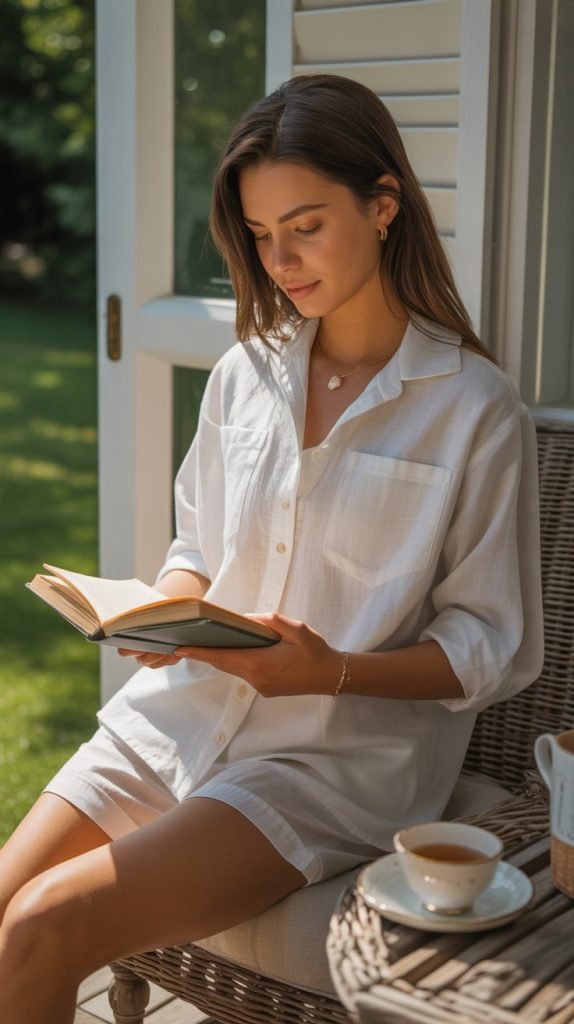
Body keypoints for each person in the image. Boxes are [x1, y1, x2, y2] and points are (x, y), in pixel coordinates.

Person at [0, 74, 543, 1022]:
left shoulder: (473, 409)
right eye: (259, 234)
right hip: (178, 714)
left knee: (43, 923)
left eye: (305, 225)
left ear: (383, 206)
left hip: (326, 766)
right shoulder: (244, 373)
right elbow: (197, 544)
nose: (280, 259)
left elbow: (493, 645)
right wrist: (165, 610)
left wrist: (329, 671)